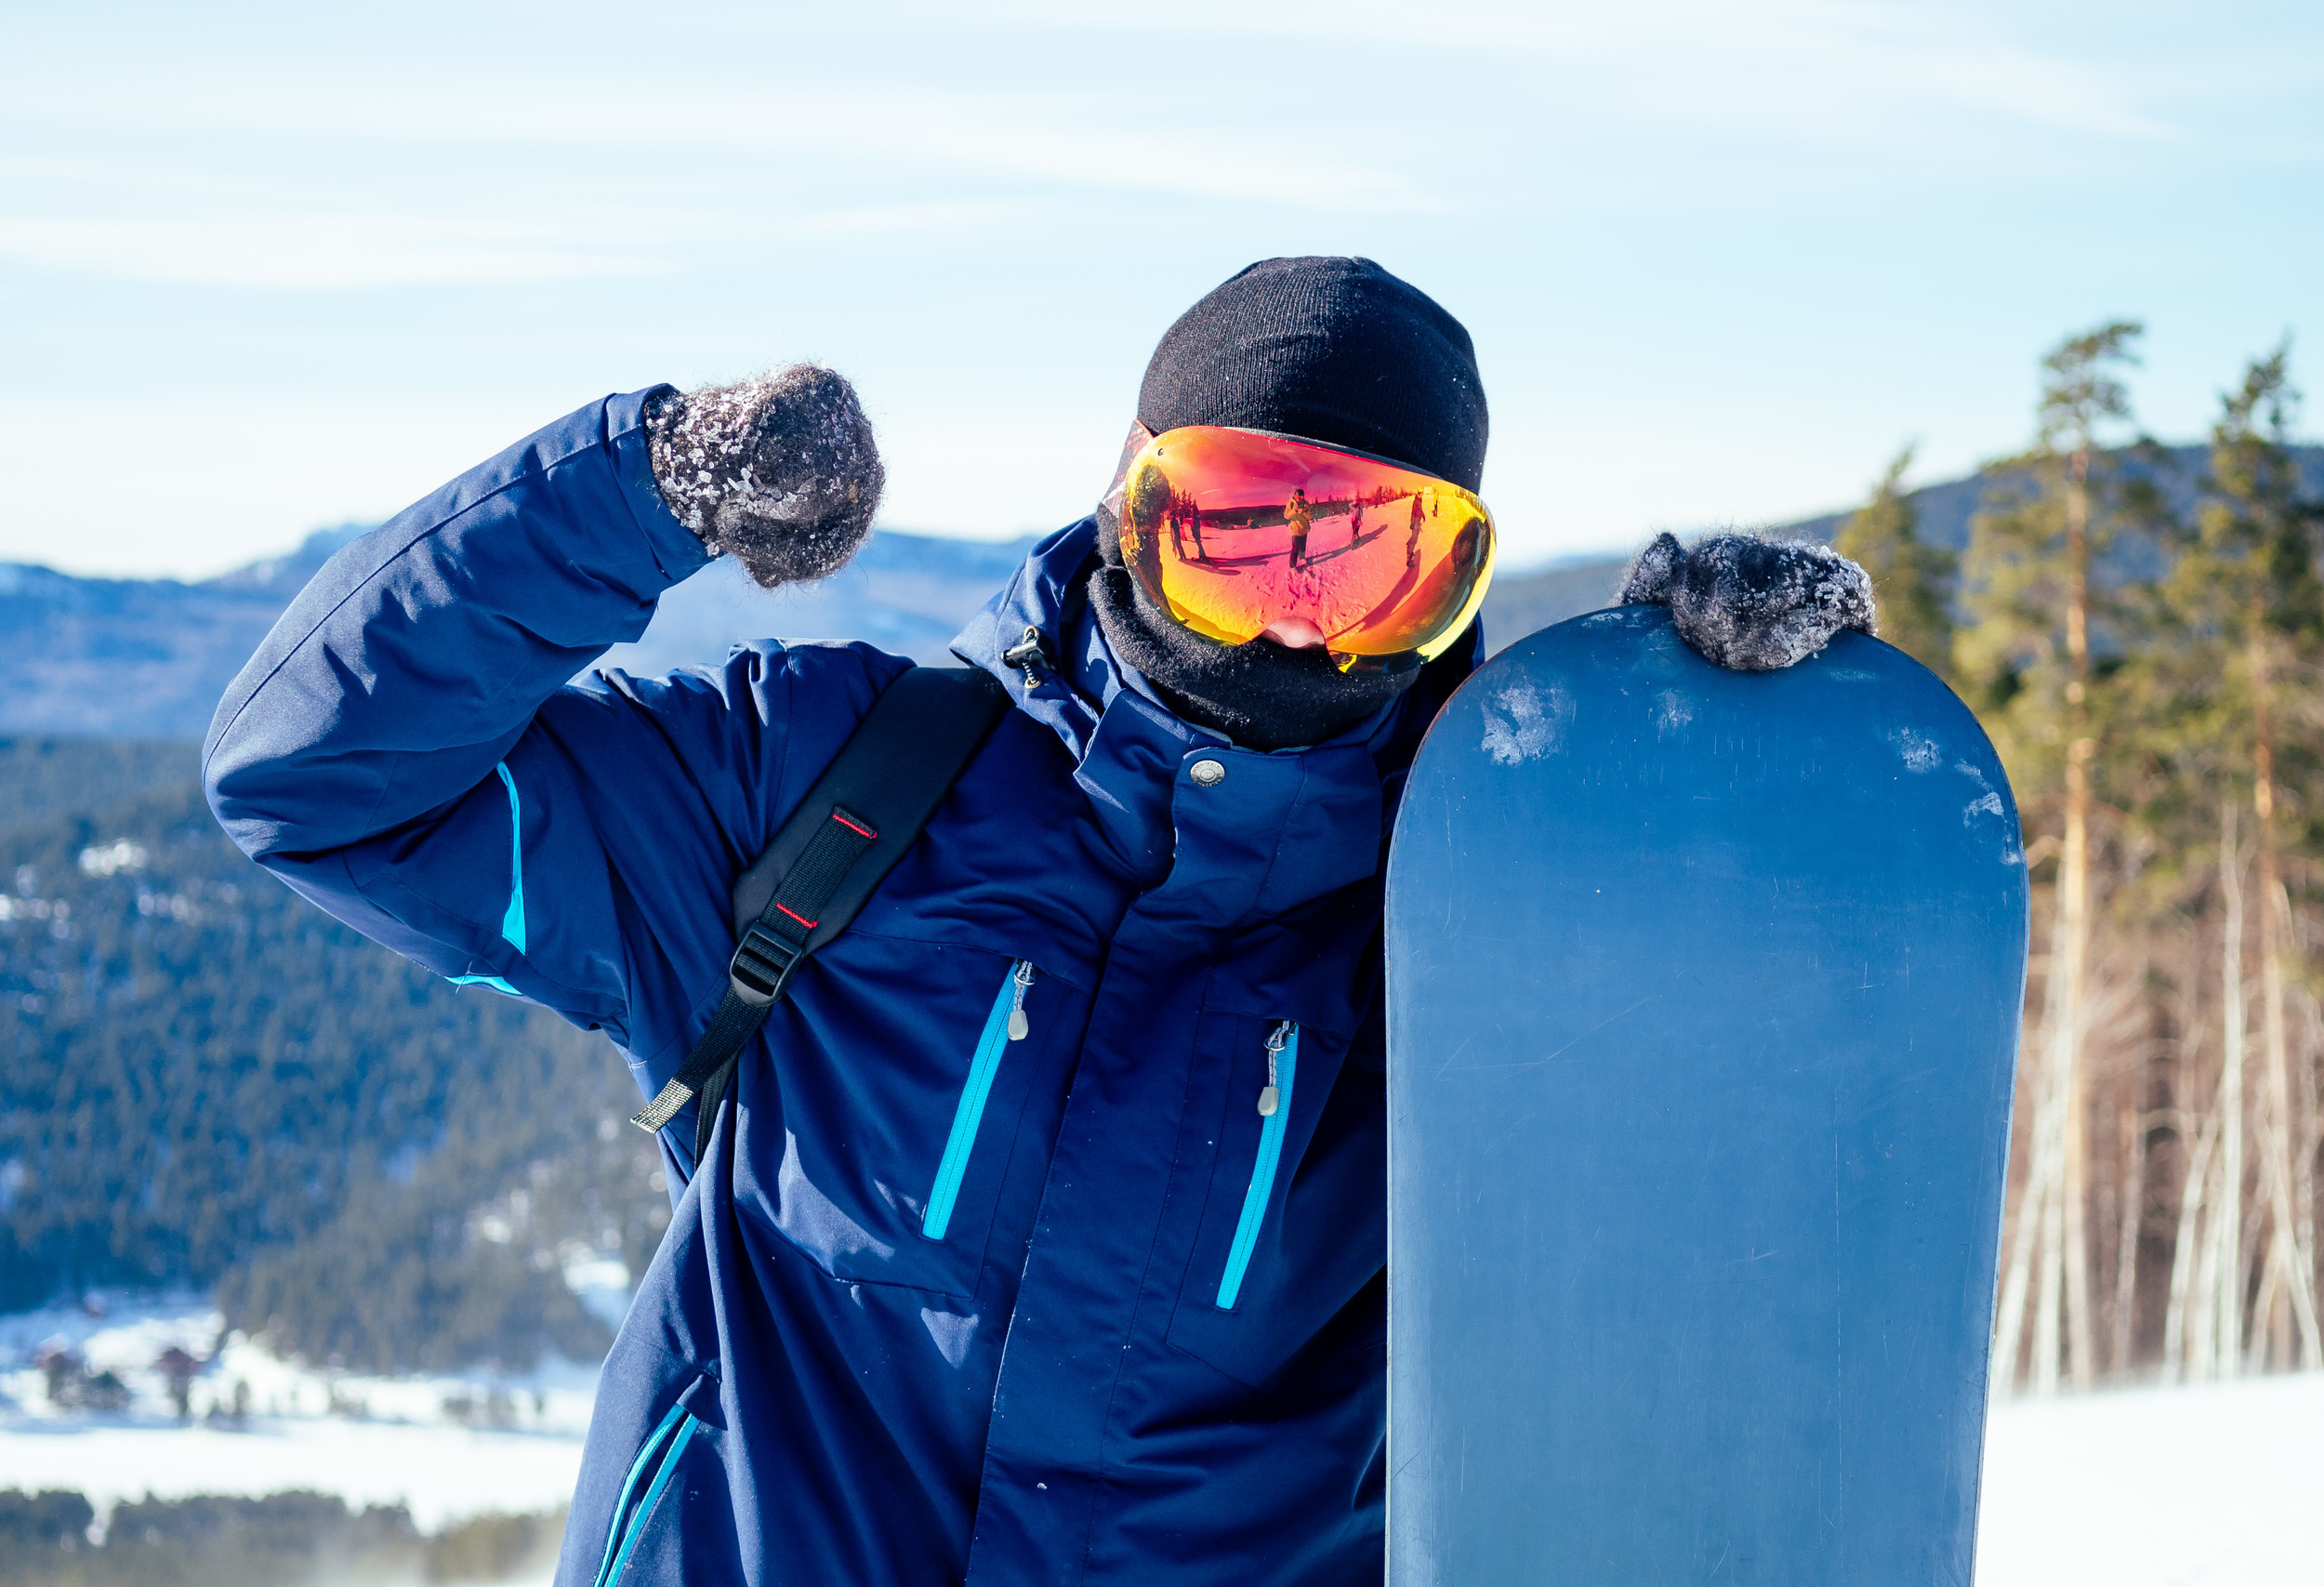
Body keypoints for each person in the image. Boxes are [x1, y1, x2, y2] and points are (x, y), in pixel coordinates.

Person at [204, 256, 1869, 1585]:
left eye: (1370, 564)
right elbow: (318, 777)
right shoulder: (833, 786)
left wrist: (1685, 767)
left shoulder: (1460, 921)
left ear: (1447, 598)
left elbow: (1694, 1186)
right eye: (1239, 535)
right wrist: (642, 490)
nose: (1297, 630)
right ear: (1133, 506)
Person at [1285, 485, 1314, 567]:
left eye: (1301, 497)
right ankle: (1292, 566)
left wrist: (1305, 511)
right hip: (1295, 530)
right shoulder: (1290, 504)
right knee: (1295, 549)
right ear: (1295, 496)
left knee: (1303, 546)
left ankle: (1302, 557)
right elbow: (1287, 516)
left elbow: (1310, 516)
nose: (1300, 499)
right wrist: (1294, 510)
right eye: (1298, 497)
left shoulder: (1305, 504)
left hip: (1304, 529)